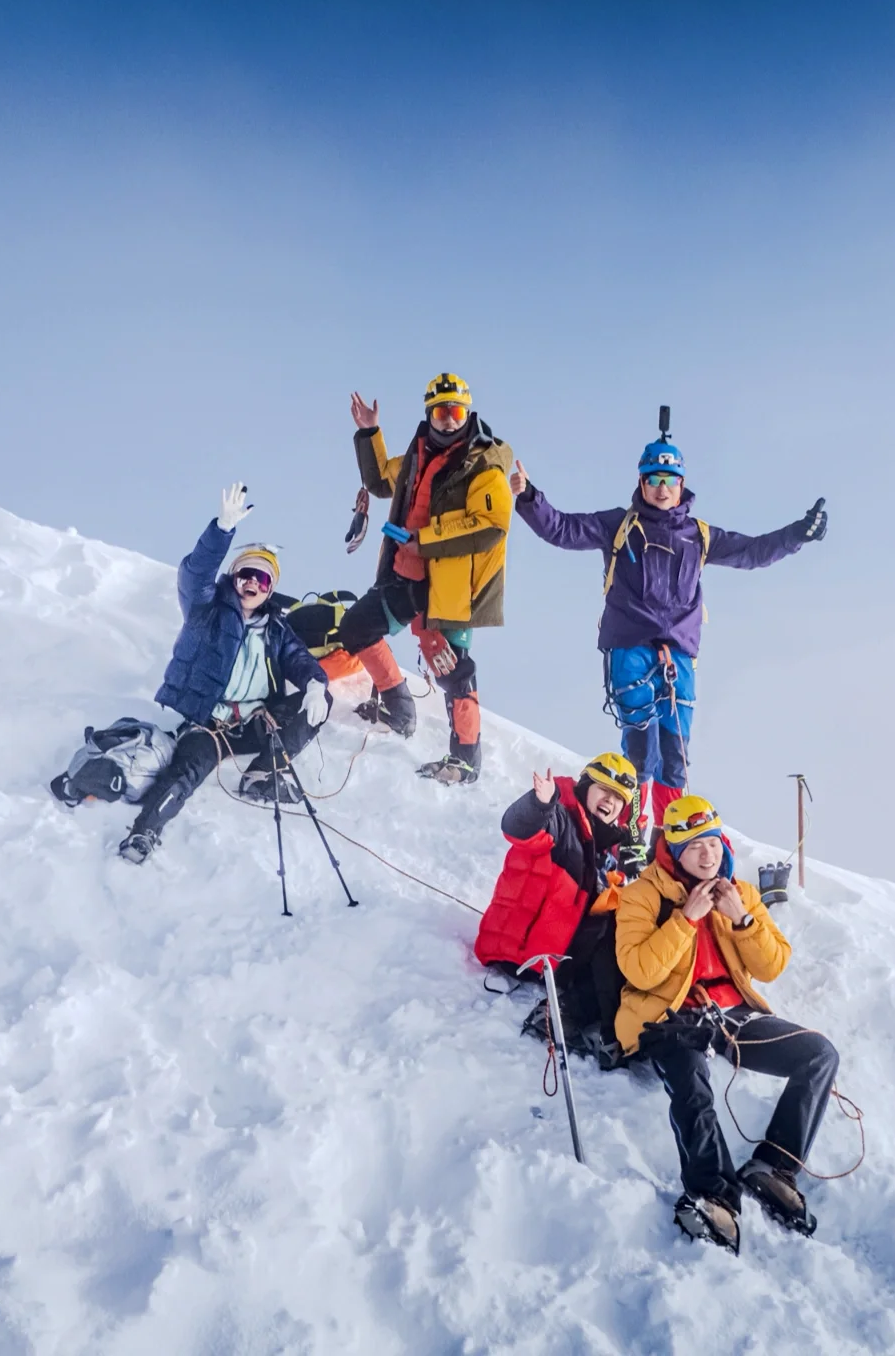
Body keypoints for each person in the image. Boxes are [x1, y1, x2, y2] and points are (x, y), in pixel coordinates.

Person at [510, 432, 827, 833]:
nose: (662, 489)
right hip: (630, 648)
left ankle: (669, 837)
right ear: (642, 483)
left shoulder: (700, 536)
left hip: (679, 655)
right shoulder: (619, 525)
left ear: (682, 485)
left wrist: (799, 534)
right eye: (654, 479)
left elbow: (753, 551)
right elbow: (562, 530)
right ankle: (631, 836)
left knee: (674, 754)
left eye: (670, 480)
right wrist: (529, 499)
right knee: (641, 749)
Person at [615, 795, 839, 1252]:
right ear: (674, 850)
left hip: (731, 1014)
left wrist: (742, 918)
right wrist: (684, 920)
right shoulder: (642, 894)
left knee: (818, 1054)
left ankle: (774, 1166)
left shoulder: (739, 892)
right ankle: (713, 1193)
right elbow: (638, 971)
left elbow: (773, 965)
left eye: (713, 843)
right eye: (695, 845)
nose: (707, 854)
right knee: (692, 1082)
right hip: (670, 1015)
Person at [118, 483, 331, 864]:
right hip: (209, 726)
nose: (253, 582)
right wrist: (221, 529)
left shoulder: (276, 629)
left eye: (262, 579)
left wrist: (316, 685)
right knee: (186, 773)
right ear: (234, 577)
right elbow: (194, 575)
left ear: (270, 590)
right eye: (247, 573)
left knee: (319, 699)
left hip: (255, 723)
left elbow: (301, 661)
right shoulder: (207, 609)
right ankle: (144, 832)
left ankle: (262, 774)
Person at [338, 374, 513, 785]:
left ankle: (466, 759)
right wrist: (369, 433)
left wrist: (427, 540)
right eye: (441, 411)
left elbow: (490, 525)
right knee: (357, 627)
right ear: (429, 413)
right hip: (403, 574)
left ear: (467, 413)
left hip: (449, 586)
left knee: (454, 671)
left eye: (457, 411)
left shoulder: (483, 463)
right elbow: (382, 480)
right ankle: (399, 707)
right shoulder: (418, 453)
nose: (450, 420)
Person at [475, 752, 645, 1065]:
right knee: (613, 930)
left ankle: (619, 1023)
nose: (610, 801)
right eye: (603, 790)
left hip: (555, 954)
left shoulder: (601, 847)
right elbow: (519, 828)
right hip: (522, 953)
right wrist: (540, 804)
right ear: (585, 786)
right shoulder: (563, 820)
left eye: (619, 798)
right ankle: (573, 1018)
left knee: (632, 923)